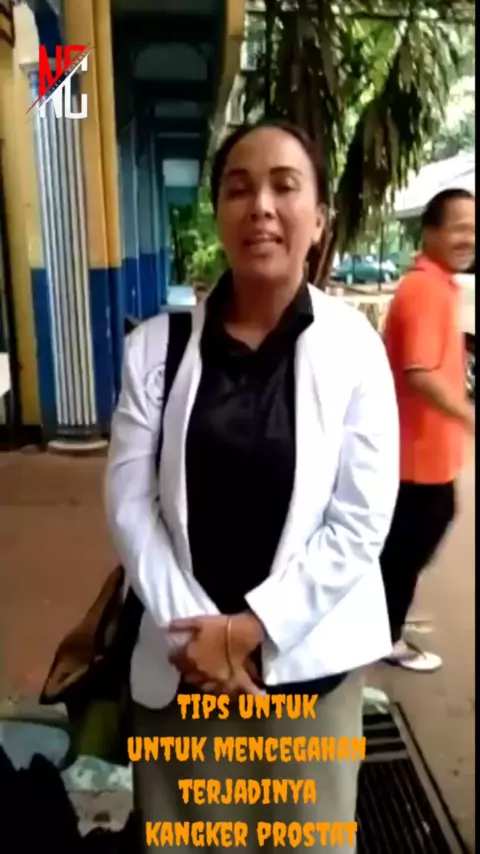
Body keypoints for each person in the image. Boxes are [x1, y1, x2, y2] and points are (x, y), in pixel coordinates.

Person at [105, 120, 399, 853]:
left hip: (308, 682)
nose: (260, 206)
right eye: (239, 189)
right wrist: (203, 641)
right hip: (186, 676)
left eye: (284, 186)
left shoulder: (355, 349)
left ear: (319, 220)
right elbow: (130, 506)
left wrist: (249, 632)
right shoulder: (155, 351)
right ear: (219, 216)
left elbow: (361, 519)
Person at [381, 187, 475, 672]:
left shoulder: (440, 287)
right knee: (405, 546)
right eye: (459, 228)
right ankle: (383, 635)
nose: (469, 239)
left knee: (408, 541)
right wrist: (470, 416)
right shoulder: (424, 290)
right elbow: (418, 372)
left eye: (474, 230)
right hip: (413, 455)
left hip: (424, 454)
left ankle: (383, 625)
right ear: (431, 232)